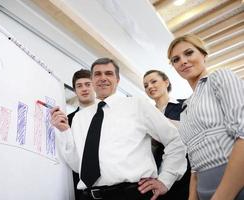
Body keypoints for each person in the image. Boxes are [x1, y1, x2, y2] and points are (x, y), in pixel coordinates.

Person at [51, 57, 187, 200]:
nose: (103, 78)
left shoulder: (137, 105)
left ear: (118, 80)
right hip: (89, 196)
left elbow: (174, 141)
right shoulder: (79, 118)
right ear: (92, 80)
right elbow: (78, 165)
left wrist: (165, 180)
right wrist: (64, 131)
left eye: (108, 73)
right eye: (97, 74)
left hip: (132, 194)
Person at [167, 34, 244, 200]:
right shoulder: (185, 108)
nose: (183, 61)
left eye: (189, 53)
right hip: (203, 189)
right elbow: (195, 165)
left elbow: (243, 135)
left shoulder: (220, 77)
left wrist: (222, 196)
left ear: (204, 54)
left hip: (234, 185)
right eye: (176, 59)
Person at [143, 69, 191, 200]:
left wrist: (166, 126)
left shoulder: (185, 105)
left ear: (166, 82)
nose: (150, 87)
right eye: (146, 85)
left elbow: (193, 132)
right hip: (157, 173)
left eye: (153, 81)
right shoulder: (146, 114)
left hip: (185, 171)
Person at [67, 69, 96, 200]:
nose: (84, 88)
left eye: (88, 84)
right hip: (81, 189)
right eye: (79, 85)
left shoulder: (109, 114)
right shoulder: (67, 121)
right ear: (75, 90)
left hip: (113, 186)